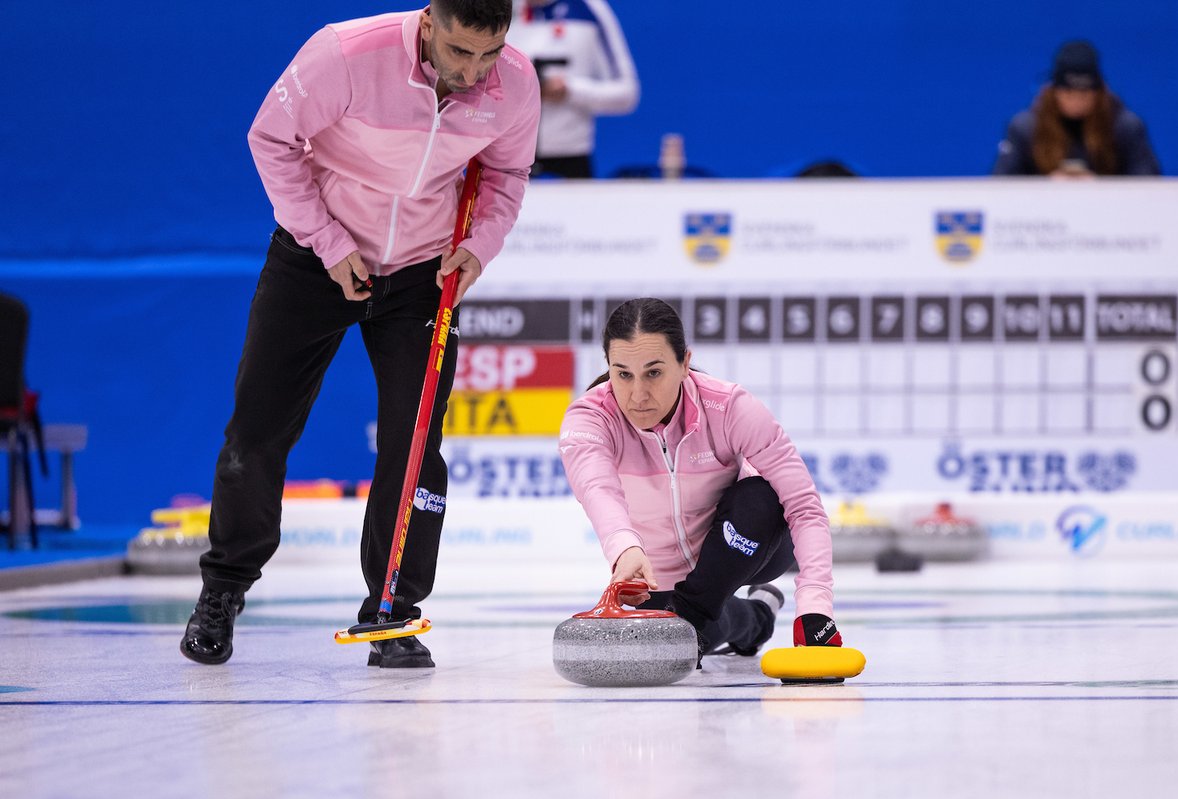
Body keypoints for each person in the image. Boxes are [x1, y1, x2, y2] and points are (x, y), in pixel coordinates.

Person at [180, 0, 540, 669]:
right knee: (258, 432)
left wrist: (479, 247)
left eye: (490, 54)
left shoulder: (515, 82)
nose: (475, 72)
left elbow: (506, 175)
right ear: (430, 22)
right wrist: (326, 241)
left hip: (422, 275)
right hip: (316, 259)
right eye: (462, 52)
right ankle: (223, 591)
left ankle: (392, 611)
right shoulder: (345, 53)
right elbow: (271, 139)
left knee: (415, 447)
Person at [558, 299, 843, 665]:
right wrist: (624, 549)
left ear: (684, 363)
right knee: (703, 623)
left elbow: (804, 506)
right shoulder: (590, 418)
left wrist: (815, 607)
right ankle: (759, 614)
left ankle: (696, 611)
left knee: (762, 496)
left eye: (654, 372)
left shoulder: (729, 408)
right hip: (660, 576)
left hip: (750, 548)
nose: (638, 395)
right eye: (623, 374)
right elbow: (598, 490)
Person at [506, 0, 639, 178]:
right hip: (505, 157)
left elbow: (627, 93)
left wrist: (569, 90)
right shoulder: (498, 8)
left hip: (570, 159)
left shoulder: (587, 9)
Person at [994, 40, 1160, 176]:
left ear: (1098, 93)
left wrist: (1101, 188)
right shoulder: (1025, 127)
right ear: (1054, 92)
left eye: (1084, 94)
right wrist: (1045, 187)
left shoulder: (1125, 126)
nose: (1076, 101)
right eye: (1068, 93)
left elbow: (1148, 184)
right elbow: (1001, 185)